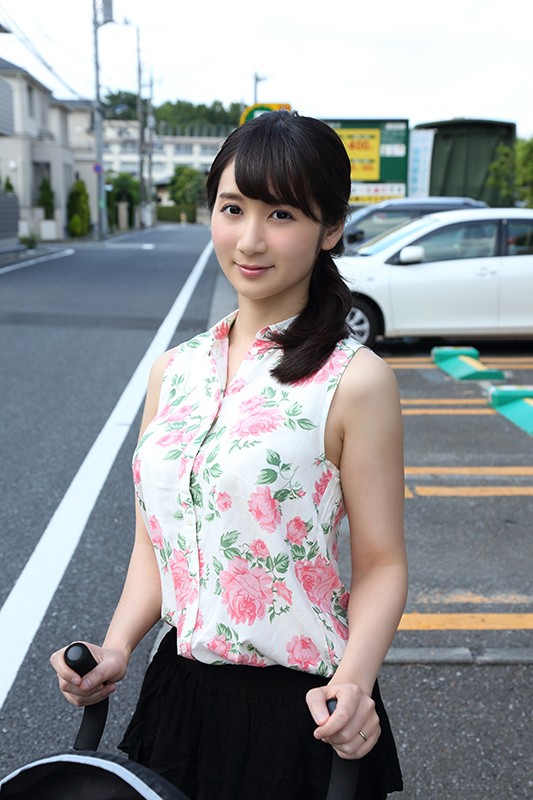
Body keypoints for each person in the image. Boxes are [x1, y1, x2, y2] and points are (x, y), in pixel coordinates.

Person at [51, 110, 408, 800]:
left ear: (330, 229)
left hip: (302, 711)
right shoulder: (174, 370)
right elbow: (155, 544)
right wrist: (116, 647)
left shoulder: (354, 380)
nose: (249, 239)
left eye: (281, 214)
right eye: (233, 208)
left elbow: (382, 563)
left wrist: (355, 682)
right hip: (177, 695)